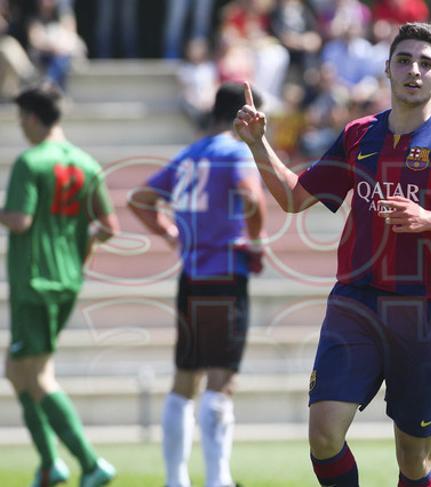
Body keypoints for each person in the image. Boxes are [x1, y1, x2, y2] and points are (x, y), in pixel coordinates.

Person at [234, 22, 431, 487]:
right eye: (404, 60)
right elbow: (295, 197)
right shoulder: (360, 135)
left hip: (422, 311)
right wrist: (258, 143)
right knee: (323, 434)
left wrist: (430, 220)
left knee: (413, 460)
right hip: (355, 303)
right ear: (387, 69)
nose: (414, 71)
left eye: (426, 63)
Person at [128, 83, 266, 487]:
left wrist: (171, 233)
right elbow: (251, 198)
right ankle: (219, 480)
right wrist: (255, 240)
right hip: (225, 272)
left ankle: (176, 479)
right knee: (222, 379)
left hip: (191, 276)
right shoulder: (235, 150)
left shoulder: (190, 153)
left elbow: (140, 199)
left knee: (184, 378)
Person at [3, 84, 119, 486]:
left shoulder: (31, 162)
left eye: (21, 119)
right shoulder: (87, 164)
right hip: (68, 279)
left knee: (35, 376)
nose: (21, 127)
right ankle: (50, 465)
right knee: (18, 371)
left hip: (34, 280)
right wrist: (80, 245)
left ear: (33, 118)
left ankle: (89, 464)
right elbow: (109, 227)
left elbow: (20, 220)